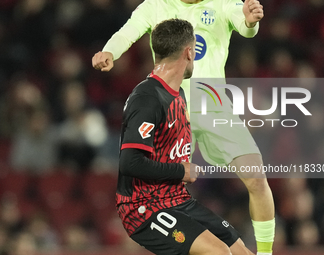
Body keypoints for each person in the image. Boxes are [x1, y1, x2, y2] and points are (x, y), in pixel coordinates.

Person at [92, 1, 275, 255]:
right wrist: (110, 51)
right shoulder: (155, 6)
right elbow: (128, 31)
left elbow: (244, 24)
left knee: (256, 177)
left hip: (213, 107)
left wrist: (250, 22)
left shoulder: (221, 3)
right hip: (172, 107)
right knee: (164, 190)